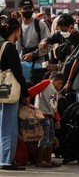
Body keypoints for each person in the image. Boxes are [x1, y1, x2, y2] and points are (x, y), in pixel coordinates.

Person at [0, 18, 29, 171]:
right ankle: (6, 160)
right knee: (9, 127)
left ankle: (3, 158)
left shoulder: (1, 46)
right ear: (16, 30)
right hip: (9, 93)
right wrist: (26, 93)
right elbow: (18, 74)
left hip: (1, 91)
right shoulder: (10, 48)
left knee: (2, 126)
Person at [27, 72, 65, 168]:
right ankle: (40, 161)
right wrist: (26, 98)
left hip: (49, 115)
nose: (61, 86)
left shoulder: (54, 91)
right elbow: (32, 91)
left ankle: (48, 159)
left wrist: (57, 119)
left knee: (50, 138)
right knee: (44, 138)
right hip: (43, 115)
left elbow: (53, 106)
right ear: (58, 82)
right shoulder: (46, 83)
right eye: (61, 84)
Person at [16, 0, 50, 65]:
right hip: (20, 65)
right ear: (19, 10)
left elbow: (49, 44)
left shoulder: (40, 24)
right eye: (25, 9)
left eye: (30, 8)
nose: (28, 10)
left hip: (38, 65)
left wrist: (33, 54)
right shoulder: (16, 25)